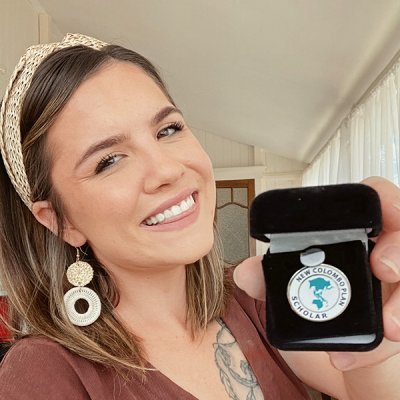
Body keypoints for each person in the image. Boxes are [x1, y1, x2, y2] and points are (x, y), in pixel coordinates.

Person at [0, 33, 399, 400]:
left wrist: (381, 322)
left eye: (168, 130)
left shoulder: (258, 298)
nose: (168, 170)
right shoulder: (43, 372)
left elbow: (362, 382)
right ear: (58, 221)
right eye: (109, 160)